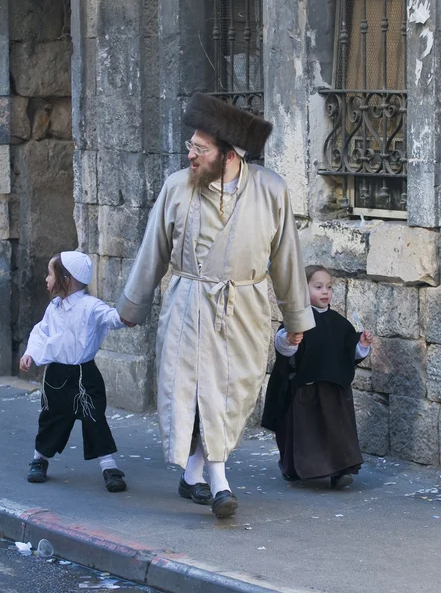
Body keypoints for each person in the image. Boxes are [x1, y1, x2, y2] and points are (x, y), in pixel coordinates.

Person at [117, 92, 315, 518]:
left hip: (244, 309)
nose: (190, 154)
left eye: (199, 149)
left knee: (232, 394)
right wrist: (132, 306)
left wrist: (296, 319)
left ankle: (192, 476)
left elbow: (286, 259)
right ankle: (220, 483)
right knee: (199, 392)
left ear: (226, 154)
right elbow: (153, 249)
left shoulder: (271, 191)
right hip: (188, 304)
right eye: (190, 145)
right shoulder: (176, 188)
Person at [20, 251, 132, 493]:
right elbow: (42, 332)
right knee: (51, 417)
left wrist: (126, 316)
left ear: (65, 278)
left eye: (50, 274)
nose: (46, 279)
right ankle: (40, 458)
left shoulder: (90, 306)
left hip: (84, 374)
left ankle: (109, 466)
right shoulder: (54, 308)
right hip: (56, 376)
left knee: (95, 417)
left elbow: (111, 317)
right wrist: (31, 353)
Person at [262, 265, 373, 488]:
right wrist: (289, 340)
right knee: (303, 433)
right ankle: (293, 468)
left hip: (334, 391)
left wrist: (361, 344)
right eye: (318, 287)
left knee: (337, 433)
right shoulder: (297, 319)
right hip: (305, 390)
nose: (325, 292)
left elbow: (348, 353)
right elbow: (284, 349)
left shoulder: (340, 323)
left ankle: (340, 471)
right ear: (303, 289)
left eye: (329, 287)